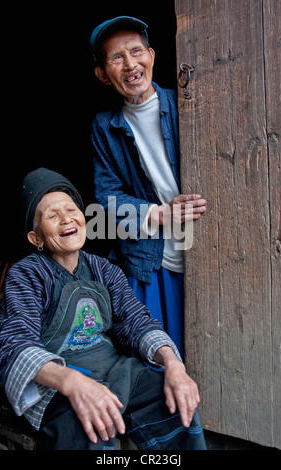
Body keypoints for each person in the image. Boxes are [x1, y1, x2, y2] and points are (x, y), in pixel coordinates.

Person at [0, 167, 206, 450]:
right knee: (86, 427)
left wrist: (174, 365)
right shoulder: (27, 275)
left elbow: (137, 322)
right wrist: (72, 382)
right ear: (36, 238)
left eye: (71, 209)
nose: (66, 219)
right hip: (58, 383)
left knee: (173, 403)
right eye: (52, 215)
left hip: (115, 372)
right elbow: (16, 345)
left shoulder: (104, 269)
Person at [90, 17, 207, 357]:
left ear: (152, 56)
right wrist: (160, 214)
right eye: (116, 58)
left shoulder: (190, 106)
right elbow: (106, 199)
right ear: (102, 74)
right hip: (152, 263)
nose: (130, 65)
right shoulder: (105, 127)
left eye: (136, 51)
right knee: (159, 361)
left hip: (212, 254)